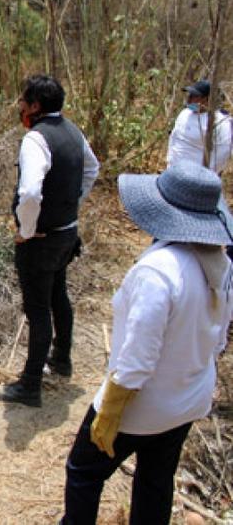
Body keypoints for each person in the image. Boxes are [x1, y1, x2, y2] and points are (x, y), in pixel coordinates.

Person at [61, 161, 233, 524]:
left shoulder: (158, 272)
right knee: (156, 479)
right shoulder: (221, 263)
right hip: (187, 399)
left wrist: (109, 413)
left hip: (140, 405)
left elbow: (138, 358)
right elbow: (218, 341)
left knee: (83, 472)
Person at [0, 74, 100, 407]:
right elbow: (93, 170)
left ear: (35, 106)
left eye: (23, 100)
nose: (20, 106)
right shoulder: (72, 131)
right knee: (58, 295)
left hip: (42, 239)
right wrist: (71, 207)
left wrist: (26, 229)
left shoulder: (35, 139)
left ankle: (30, 385)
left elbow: (30, 192)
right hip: (67, 234)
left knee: (38, 310)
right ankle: (62, 361)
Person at [166, 79, 233, 174]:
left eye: (194, 96)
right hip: (173, 173)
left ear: (207, 99)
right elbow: (175, 137)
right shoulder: (185, 112)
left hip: (196, 178)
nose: (189, 99)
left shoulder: (219, 122)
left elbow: (222, 153)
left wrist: (205, 176)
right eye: (189, 95)